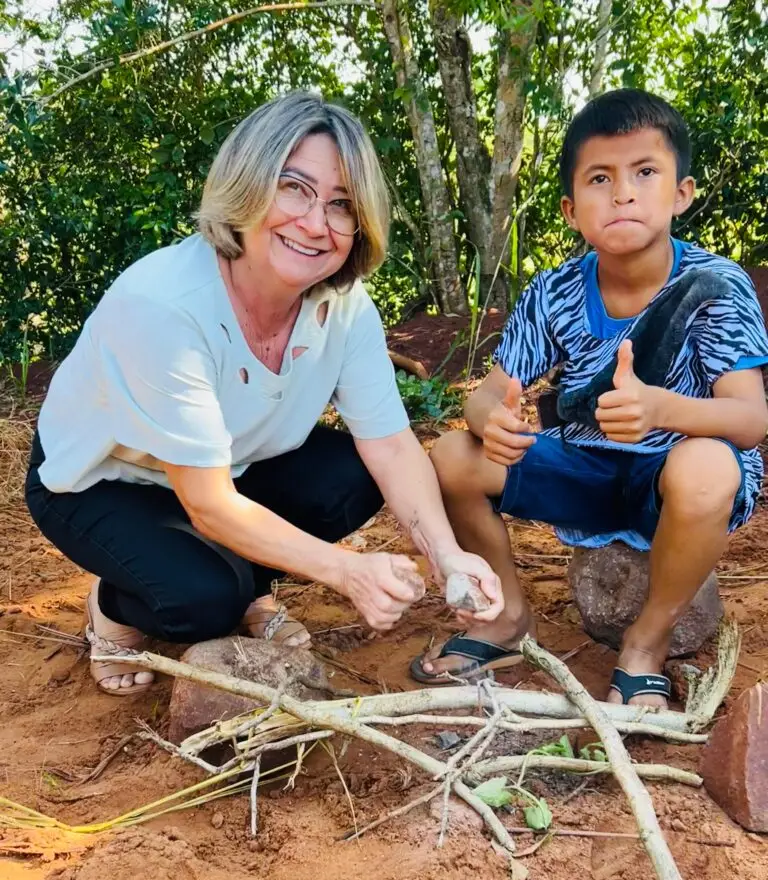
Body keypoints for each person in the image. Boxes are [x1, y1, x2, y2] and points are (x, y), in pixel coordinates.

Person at [26, 91, 503, 696]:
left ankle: (242, 583)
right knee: (202, 602)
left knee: (352, 477)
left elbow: (389, 443)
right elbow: (207, 505)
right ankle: (118, 605)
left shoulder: (344, 308)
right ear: (247, 184)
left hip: (229, 467)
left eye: (341, 204)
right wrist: (345, 571)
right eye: (294, 188)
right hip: (99, 480)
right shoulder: (164, 307)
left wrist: (446, 553)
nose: (314, 223)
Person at [414, 88, 768, 709]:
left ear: (680, 194)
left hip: (673, 478)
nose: (623, 193)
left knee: (708, 464)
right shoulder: (554, 291)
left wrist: (661, 410)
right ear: (572, 209)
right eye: (600, 178)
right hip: (586, 468)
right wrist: (489, 417)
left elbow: (749, 418)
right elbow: (494, 389)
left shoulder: (715, 285)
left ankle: (646, 644)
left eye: (646, 172)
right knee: (450, 456)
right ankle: (507, 616)